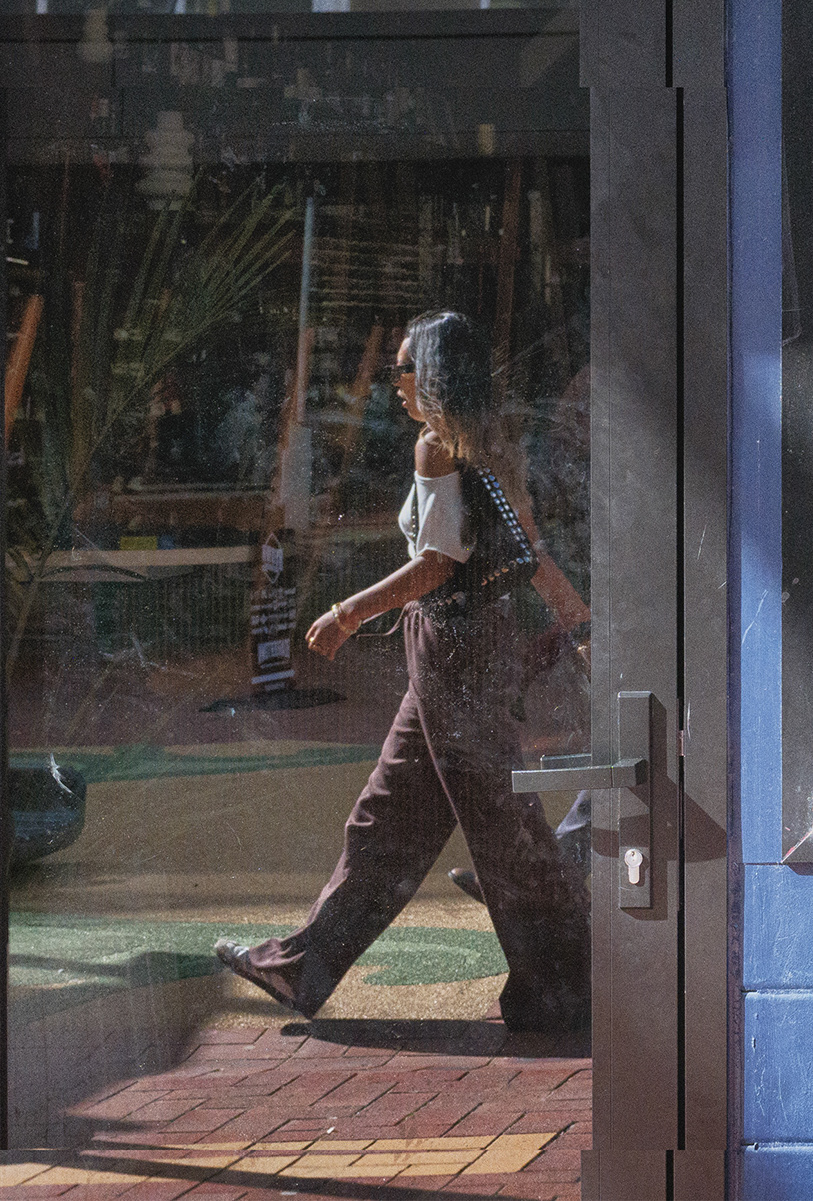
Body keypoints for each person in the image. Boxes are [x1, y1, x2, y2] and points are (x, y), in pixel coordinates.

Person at [217, 309, 588, 1035]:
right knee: (390, 815)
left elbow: (436, 564)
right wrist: (578, 622)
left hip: (451, 648)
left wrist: (348, 612)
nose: (395, 383)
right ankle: (299, 967)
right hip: (476, 646)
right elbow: (531, 549)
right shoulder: (493, 442)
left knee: (498, 822)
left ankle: (571, 980)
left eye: (403, 369)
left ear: (435, 376)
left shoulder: (437, 448)